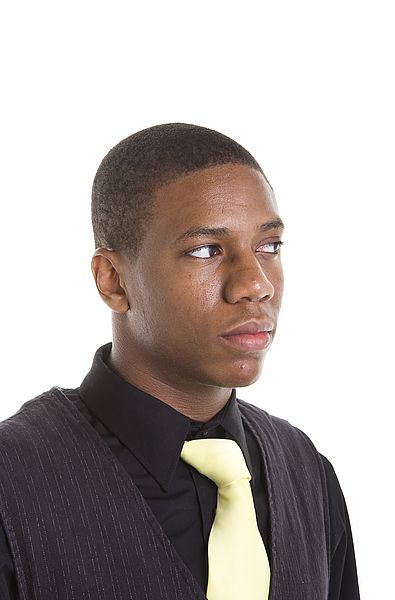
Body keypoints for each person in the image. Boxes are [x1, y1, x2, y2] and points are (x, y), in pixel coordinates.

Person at [0, 123, 360, 600]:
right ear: (113, 280)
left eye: (269, 246)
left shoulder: (307, 474)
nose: (255, 284)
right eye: (206, 250)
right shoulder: (13, 483)